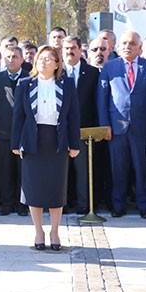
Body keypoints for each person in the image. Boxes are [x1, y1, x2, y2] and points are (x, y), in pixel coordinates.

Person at [11, 46, 80, 250]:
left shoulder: (67, 84)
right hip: (33, 141)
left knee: (56, 189)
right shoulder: (25, 83)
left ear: (57, 64)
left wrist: (75, 144)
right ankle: (39, 231)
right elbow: (18, 116)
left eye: (49, 59)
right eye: (41, 58)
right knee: (34, 189)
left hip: (57, 141)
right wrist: (16, 143)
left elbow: (73, 116)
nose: (43, 62)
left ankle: (55, 231)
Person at [96, 31, 146, 219]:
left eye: (132, 43)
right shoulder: (110, 67)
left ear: (139, 48)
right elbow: (102, 99)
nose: (128, 46)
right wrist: (105, 125)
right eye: (124, 43)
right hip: (116, 127)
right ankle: (118, 204)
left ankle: (144, 205)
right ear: (118, 47)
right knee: (118, 168)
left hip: (141, 127)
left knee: (141, 168)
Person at [0, 46, 29, 216]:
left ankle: (22, 204)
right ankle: (7, 204)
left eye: (15, 56)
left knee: (23, 171)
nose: (11, 60)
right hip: (2, 133)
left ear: (22, 59)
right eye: (8, 57)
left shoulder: (30, 78)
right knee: (5, 170)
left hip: (24, 133)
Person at [62, 36, 99, 214]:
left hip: (84, 129)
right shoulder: (56, 71)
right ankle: (62, 202)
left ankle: (83, 203)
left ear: (80, 50)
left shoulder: (92, 72)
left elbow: (96, 101)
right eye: (66, 48)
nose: (69, 51)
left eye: (73, 48)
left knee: (83, 169)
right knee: (61, 169)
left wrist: (97, 128)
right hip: (60, 130)